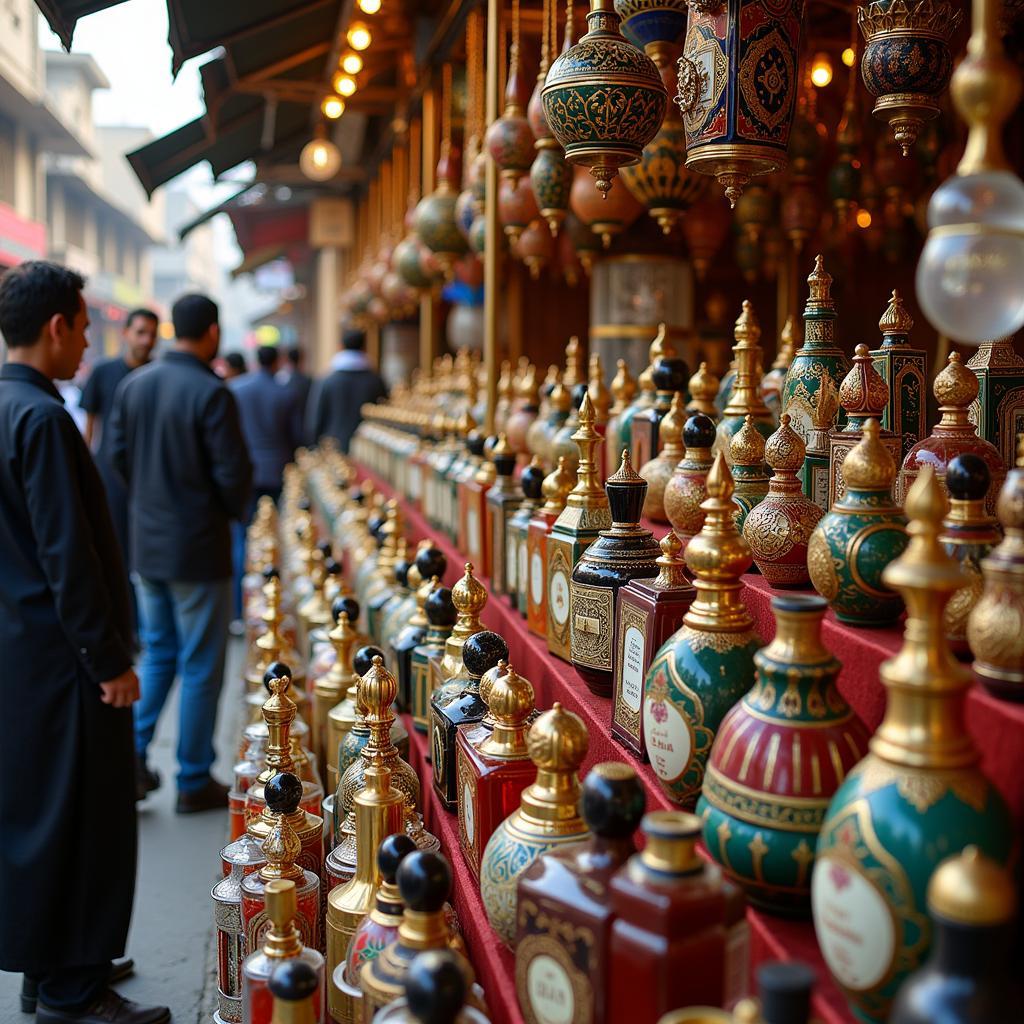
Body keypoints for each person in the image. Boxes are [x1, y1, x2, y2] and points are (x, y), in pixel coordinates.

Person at [0, 261, 169, 1024]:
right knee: (82, 814)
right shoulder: (41, 419)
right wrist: (109, 660)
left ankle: (54, 965)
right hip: (66, 654)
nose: (90, 340)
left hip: (19, 650)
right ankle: (72, 988)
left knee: (37, 811)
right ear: (57, 327)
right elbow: (70, 554)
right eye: (85, 324)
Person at [109, 293, 252, 814]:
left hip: (148, 545)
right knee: (198, 664)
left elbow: (116, 459)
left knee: (159, 653)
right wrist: (218, 512)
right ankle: (192, 777)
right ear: (212, 333)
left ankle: (130, 756)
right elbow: (234, 478)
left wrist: (152, 499)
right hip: (197, 547)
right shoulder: (211, 393)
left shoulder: (133, 386)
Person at [80, 308, 158, 639]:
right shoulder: (103, 372)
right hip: (109, 479)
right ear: (125, 333)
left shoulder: (157, 375)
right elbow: (90, 426)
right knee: (113, 554)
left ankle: (143, 627)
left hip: (148, 478)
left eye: (151, 334)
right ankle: (122, 629)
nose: (146, 340)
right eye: (140, 332)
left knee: (143, 557)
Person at [228, 344, 299, 617]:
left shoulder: (237, 389)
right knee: (275, 539)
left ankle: (240, 610)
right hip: (276, 471)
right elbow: (296, 436)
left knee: (243, 539)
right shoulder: (284, 392)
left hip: (246, 472)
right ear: (278, 361)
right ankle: (272, 607)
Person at [308, 328, 387, 452]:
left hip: (333, 446)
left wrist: (313, 446)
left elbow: (316, 419)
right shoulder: (375, 380)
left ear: (341, 346)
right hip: (369, 449)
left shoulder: (328, 380)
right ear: (364, 347)